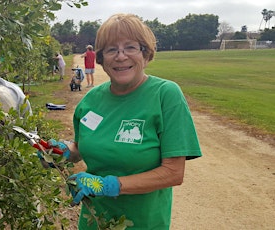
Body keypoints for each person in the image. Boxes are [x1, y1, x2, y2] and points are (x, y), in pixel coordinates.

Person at [38, 13, 202, 229]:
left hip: (144, 224)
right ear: (101, 58)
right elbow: (81, 147)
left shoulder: (165, 95)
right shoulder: (91, 100)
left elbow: (173, 173)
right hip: (93, 223)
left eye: (130, 47)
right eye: (111, 49)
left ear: (145, 54)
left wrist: (107, 185)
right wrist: (64, 152)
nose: (120, 56)